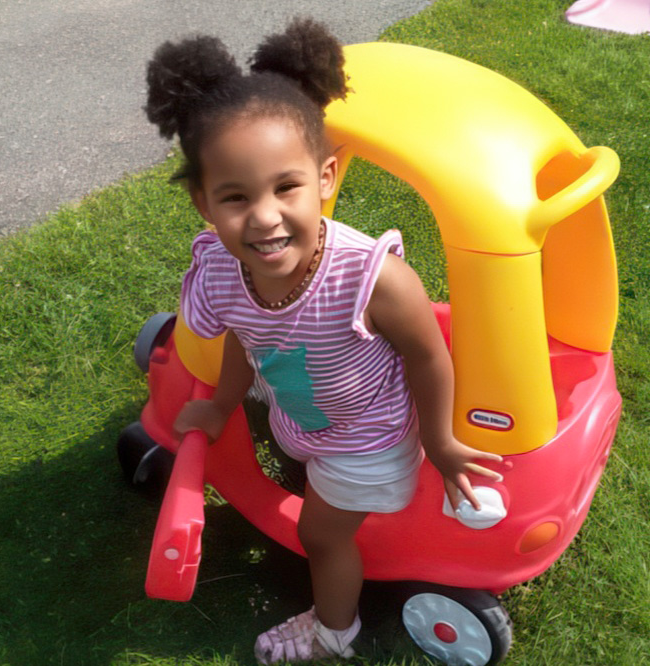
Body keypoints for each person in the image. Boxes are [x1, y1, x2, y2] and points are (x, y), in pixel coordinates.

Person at [144, 17, 503, 663]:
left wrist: (442, 442)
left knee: (322, 535)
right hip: (306, 411)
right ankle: (300, 461)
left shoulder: (373, 280)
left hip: (368, 437)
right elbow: (241, 337)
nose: (264, 216)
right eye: (234, 196)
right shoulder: (224, 270)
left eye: (287, 187)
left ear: (327, 177)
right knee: (293, 442)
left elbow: (427, 354)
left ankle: (332, 634)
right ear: (202, 202)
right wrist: (225, 403)